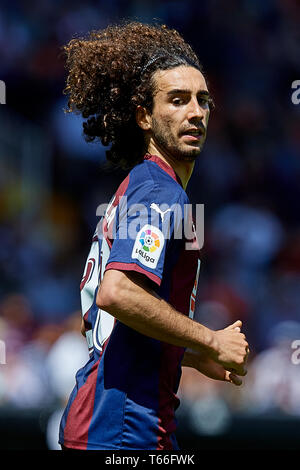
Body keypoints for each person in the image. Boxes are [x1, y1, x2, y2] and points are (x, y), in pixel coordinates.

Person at [58, 21, 249, 451]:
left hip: (117, 422)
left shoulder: (144, 184)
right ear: (144, 116)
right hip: (122, 429)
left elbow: (125, 325)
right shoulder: (160, 191)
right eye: (177, 100)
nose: (195, 112)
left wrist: (194, 356)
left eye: (203, 101)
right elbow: (118, 294)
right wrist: (211, 339)